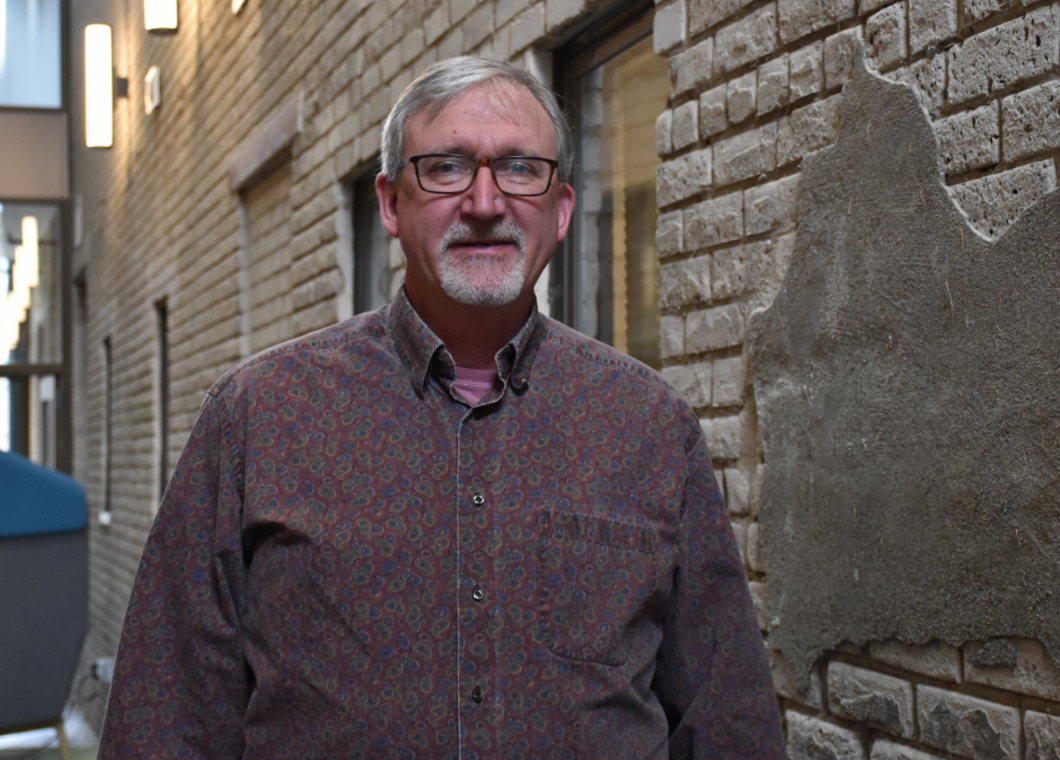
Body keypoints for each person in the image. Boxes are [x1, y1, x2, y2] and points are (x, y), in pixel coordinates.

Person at [99, 56, 785, 759]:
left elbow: (728, 722)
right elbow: (164, 717)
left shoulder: (648, 427)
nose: (486, 203)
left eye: (520, 169)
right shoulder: (258, 417)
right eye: (447, 168)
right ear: (391, 203)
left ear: (563, 208)